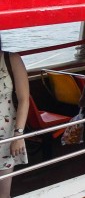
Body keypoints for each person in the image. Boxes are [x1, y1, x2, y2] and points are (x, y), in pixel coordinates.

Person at [0, 35, 27, 198]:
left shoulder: (12, 60)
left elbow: (24, 99)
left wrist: (18, 135)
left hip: (6, 134)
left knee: (3, 193)